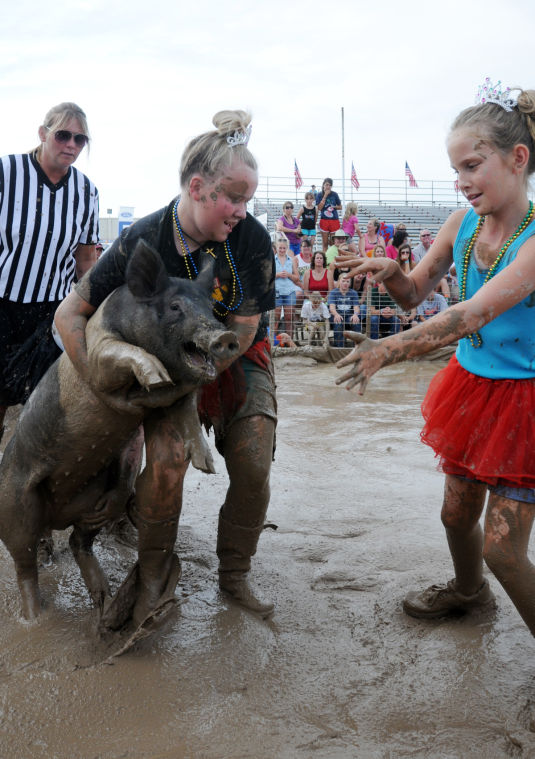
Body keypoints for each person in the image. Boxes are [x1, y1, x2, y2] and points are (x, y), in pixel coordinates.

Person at [55, 109, 277, 623]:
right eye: (234, 197)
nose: (243, 211)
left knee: (252, 465)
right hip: (163, 370)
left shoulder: (252, 241)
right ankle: (153, 574)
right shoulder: (144, 239)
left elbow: (242, 331)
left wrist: (205, 373)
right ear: (197, 187)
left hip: (234, 359)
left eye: (248, 199)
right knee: (169, 464)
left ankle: (235, 574)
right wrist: (101, 384)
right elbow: (70, 314)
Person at [336, 81, 535, 636]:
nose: (462, 182)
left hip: (526, 401)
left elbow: (471, 314)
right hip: (471, 388)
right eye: (456, 171)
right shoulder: (460, 225)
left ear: (517, 159)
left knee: (506, 550)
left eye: (473, 165)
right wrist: (393, 271)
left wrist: (388, 349)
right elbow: (412, 295)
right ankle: (468, 594)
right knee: (454, 515)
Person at [0, 102, 98, 440]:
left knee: (43, 405)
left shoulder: (86, 192)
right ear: (43, 134)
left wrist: (92, 310)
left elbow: (86, 260)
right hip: (2, 305)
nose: (71, 144)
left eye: (80, 139)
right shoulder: (6, 172)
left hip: (51, 313)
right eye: (63, 135)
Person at [274, 232, 300, 333]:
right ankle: (273, 344)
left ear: (287, 248)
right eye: (280, 248)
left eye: (284, 248)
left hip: (289, 292)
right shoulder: (272, 260)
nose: (282, 250)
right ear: (276, 247)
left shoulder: (291, 260)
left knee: (289, 319)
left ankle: (290, 344)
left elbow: (297, 278)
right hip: (276, 292)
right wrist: (278, 275)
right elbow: (267, 277)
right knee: (275, 319)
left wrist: (289, 275)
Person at [327, 274, 361, 347]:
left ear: (350, 283)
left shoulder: (353, 293)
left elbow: (356, 307)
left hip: (349, 315)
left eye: (347, 281)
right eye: (343, 281)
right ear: (339, 282)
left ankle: (357, 346)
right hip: (337, 314)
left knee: (356, 322)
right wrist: (336, 314)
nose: (345, 283)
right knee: (338, 322)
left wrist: (355, 315)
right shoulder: (333, 292)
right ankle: (339, 347)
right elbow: (332, 307)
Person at [315, 178, 342, 252]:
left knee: (334, 243)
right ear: (323, 185)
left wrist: (334, 207)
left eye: (330, 185)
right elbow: (319, 208)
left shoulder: (334, 194)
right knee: (325, 243)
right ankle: (325, 261)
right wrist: (325, 196)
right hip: (324, 220)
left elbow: (340, 207)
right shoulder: (319, 195)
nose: (328, 186)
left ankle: (333, 259)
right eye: (327, 184)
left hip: (334, 220)